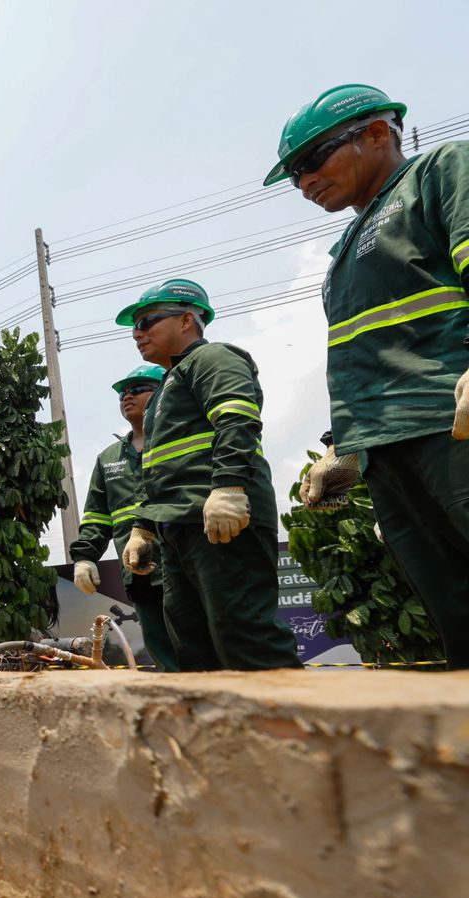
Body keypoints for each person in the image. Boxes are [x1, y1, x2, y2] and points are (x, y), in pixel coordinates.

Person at [271, 84, 469, 668]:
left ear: (379, 134)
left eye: (313, 160)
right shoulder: (342, 254)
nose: (303, 182)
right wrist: (344, 449)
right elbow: (363, 356)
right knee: (455, 613)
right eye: (293, 174)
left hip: (449, 423)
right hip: (388, 451)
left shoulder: (439, 170)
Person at [115, 279, 301, 671]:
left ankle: (288, 729)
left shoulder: (214, 358)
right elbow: (160, 470)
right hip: (179, 526)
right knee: (193, 649)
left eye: (148, 321)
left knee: (244, 637)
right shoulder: (165, 390)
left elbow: (237, 419)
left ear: (187, 320)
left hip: (222, 518)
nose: (138, 332)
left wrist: (230, 487)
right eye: (135, 326)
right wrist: (145, 526)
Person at [69, 365, 179, 671]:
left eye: (137, 388)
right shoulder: (108, 458)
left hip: (184, 565)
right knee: (163, 653)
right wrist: (84, 557)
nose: (126, 396)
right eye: (122, 393)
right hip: (139, 572)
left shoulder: (179, 439)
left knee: (199, 646)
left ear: (162, 392)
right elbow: (97, 516)